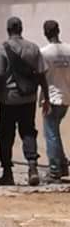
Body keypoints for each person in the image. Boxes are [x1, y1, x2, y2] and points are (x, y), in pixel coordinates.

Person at [0, 16, 49, 187]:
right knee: (28, 132)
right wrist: (46, 96)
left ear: (8, 30)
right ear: (21, 29)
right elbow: (41, 75)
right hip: (28, 98)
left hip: (8, 100)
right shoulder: (33, 48)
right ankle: (32, 168)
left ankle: (7, 172)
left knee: (5, 135)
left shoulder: (1, 49)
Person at [40, 19, 70, 182]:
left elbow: (40, 76)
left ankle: (54, 171)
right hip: (66, 98)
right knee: (55, 132)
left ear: (45, 33)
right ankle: (63, 166)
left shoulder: (44, 52)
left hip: (51, 98)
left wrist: (43, 99)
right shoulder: (69, 50)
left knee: (51, 134)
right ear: (58, 31)